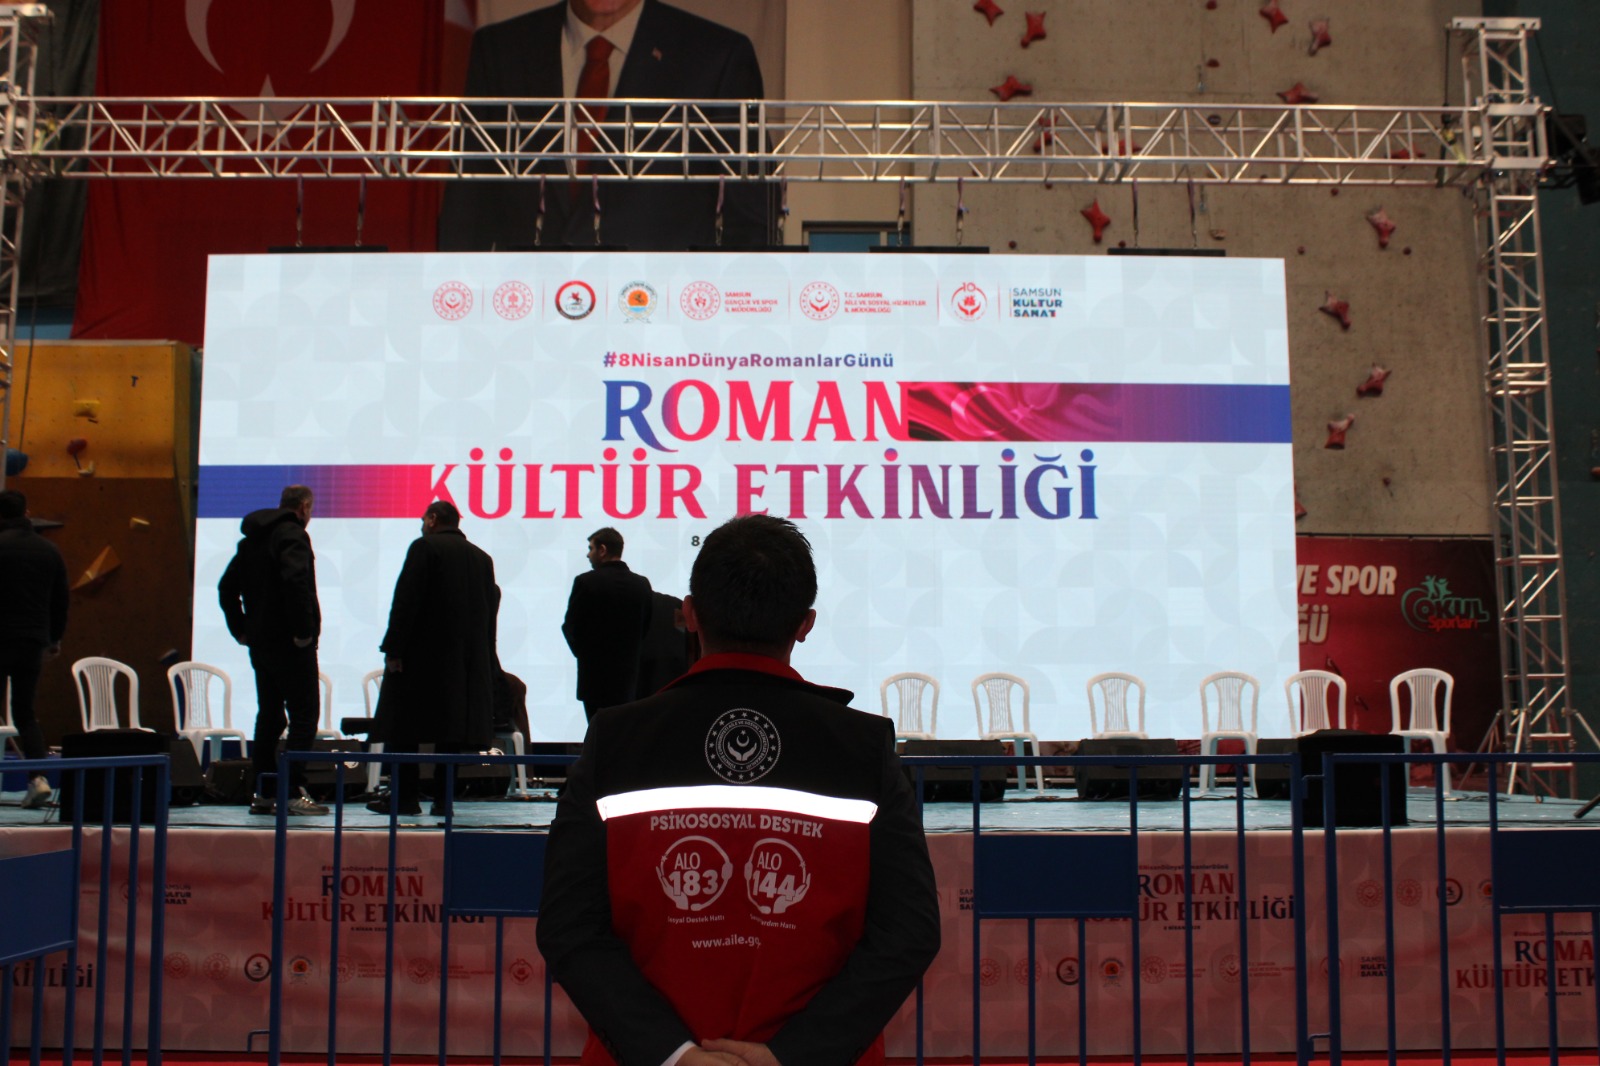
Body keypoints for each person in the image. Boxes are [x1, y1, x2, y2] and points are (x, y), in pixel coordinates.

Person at [538, 515, 940, 1066]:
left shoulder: (616, 740)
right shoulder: (862, 747)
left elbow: (569, 926)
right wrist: (793, 1056)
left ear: (689, 614)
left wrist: (673, 1054)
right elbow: (909, 932)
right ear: (805, 623)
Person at [437, 0, 775, 251]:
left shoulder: (717, 56)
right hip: (525, 306)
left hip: (662, 311)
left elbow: (750, 218)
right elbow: (466, 209)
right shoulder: (500, 49)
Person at [368, 500, 500, 817]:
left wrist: (394, 649)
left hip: (421, 660)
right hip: (464, 664)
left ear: (432, 519)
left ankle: (405, 798)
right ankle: (444, 801)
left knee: (404, 731)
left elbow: (406, 601)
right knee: (450, 734)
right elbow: (490, 610)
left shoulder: (425, 548)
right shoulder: (481, 558)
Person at [217, 485, 328, 816]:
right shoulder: (292, 535)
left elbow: (226, 587)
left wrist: (241, 628)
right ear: (304, 507)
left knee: (270, 714)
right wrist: (303, 631)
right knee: (304, 714)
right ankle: (291, 791)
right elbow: (296, 582)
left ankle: (264, 791)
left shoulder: (251, 540)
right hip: (290, 644)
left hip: (261, 645)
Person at [0, 489, 69, 809]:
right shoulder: (49, 550)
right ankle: (38, 779)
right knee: (25, 713)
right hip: (32, 641)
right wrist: (54, 639)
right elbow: (60, 601)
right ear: (26, 513)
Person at [562, 526, 653, 722]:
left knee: (598, 730)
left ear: (602, 550)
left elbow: (571, 627)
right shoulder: (641, 584)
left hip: (594, 678)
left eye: (591, 548)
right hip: (629, 678)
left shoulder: (586, 582)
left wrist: (586, 655)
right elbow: (646, 627)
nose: (588, 554)